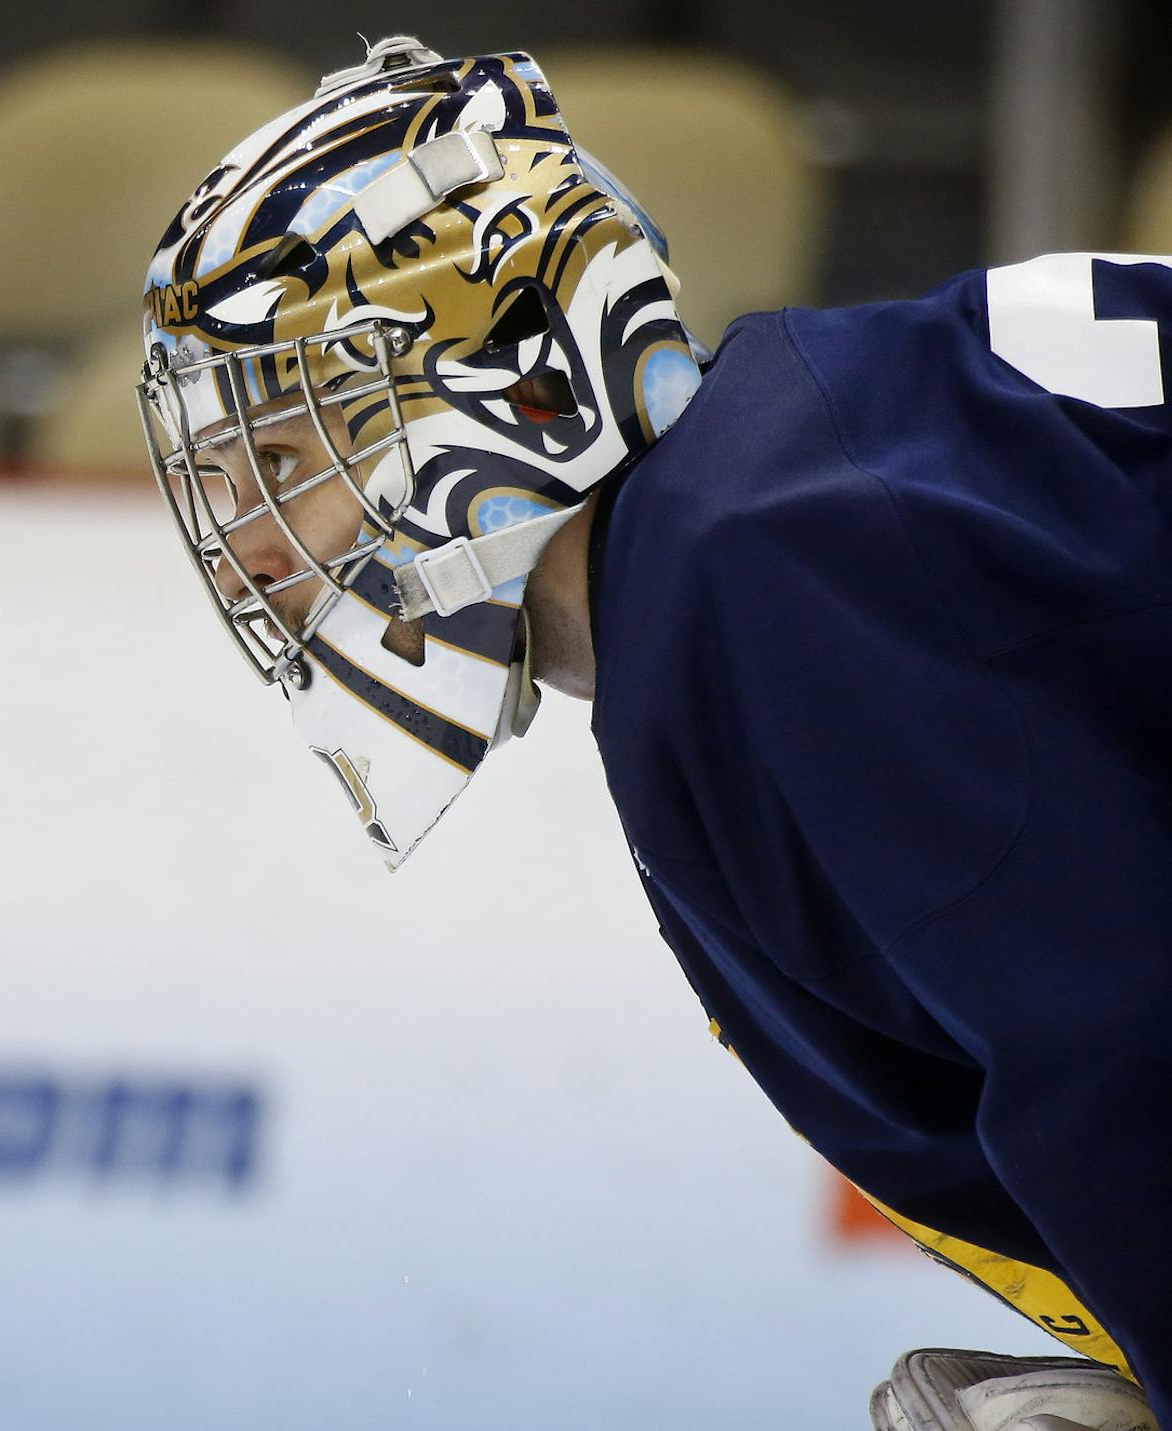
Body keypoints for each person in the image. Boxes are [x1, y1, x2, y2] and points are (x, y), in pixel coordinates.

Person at [133, 35, 1172, 1431]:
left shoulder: (767, 566)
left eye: (286, 459)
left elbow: (1124, 1049)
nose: (255, 549)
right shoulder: (764, 515)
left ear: (510, 374)